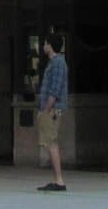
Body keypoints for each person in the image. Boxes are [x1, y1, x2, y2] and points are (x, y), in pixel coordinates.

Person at [36, 33, 68, 192]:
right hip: (50, 109)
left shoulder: (58, 63)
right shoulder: (54, 63)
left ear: (50, 45)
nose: (43, 46)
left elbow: (54, 90)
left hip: (52, 110)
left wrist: (46, 110)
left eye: (45, 43)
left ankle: (59, 180)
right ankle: (56, 179)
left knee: (51, 142)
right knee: (49, 143)